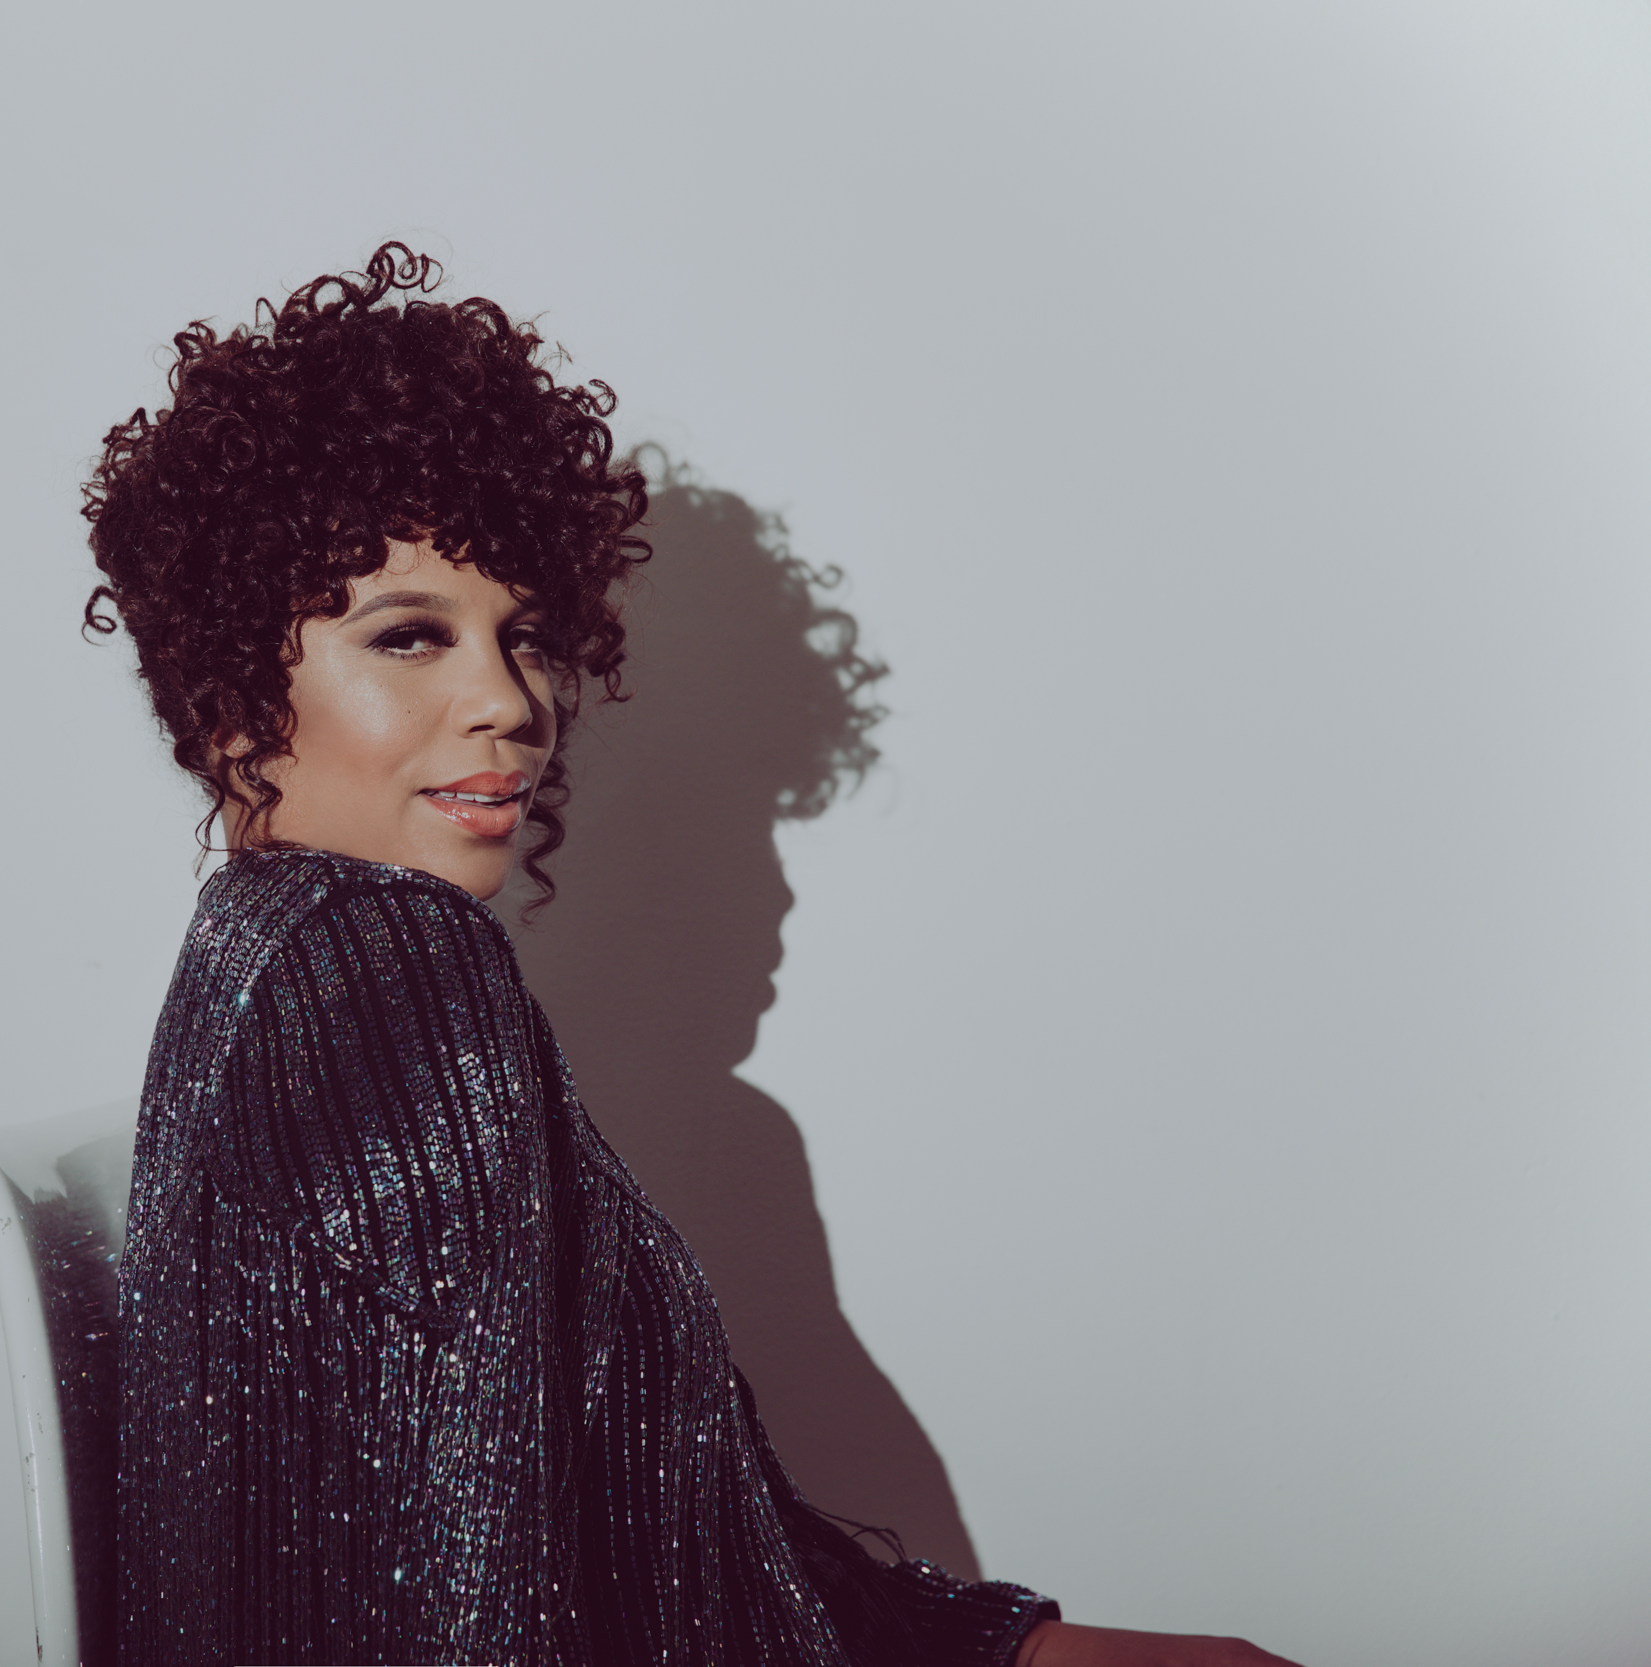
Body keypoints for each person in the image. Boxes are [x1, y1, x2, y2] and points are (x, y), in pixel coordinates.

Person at [81, 243, 1301, 1667]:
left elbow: (642, 1558)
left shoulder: (260, 954)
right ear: (229, 696)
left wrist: (1010, 1650)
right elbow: (474, 1605)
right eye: (409, 637)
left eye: (525, 638)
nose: (510, 701)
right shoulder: (385, 964)